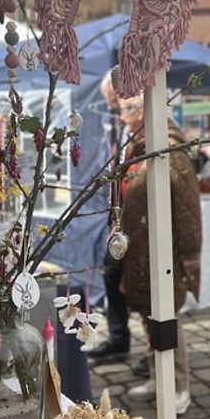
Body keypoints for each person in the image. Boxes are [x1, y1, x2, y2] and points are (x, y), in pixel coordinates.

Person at [117, 94, 202, 415]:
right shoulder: (137, 144)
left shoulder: (169, 149)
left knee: (167, 315)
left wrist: (190, 254)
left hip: (164, 248)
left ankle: (179, 384)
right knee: (147, 313)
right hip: (140, 246)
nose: (121, 115)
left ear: (145, 110)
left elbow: (188, 208)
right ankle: (157, 375)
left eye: (127, 109)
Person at [87, 75, 134, 364]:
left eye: (115, 100)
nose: (112, 106)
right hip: (118, 219)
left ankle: (153, 351)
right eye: (109, 101)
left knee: (138, 283)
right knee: (111, 274)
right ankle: (118, 338)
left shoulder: (139, 126)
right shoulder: (118, 126)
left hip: (135, 220)